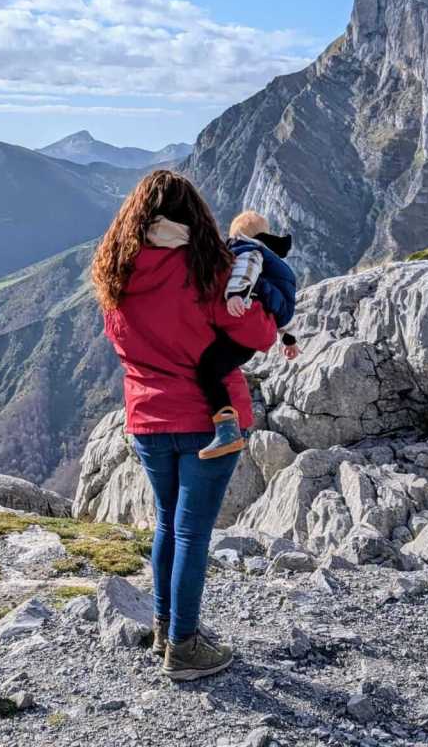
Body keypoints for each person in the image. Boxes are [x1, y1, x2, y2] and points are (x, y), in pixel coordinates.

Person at [91, 171, 277, 681]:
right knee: (193, 532)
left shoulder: (117, 274)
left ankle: (165, 627)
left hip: (148, 420)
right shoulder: (208, 271)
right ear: (192, 217)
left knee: (169, 522)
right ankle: (185, 647)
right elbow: (260, 333)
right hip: (207, 421)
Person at [197, 209, 299, 460]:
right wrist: (288, 339)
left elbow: (246, 268)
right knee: (218, 363)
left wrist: (235, 294)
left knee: (206, 370)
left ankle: (226, 431)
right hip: (255, 334)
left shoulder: (249, 250)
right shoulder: (271, 263)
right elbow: (274, 308)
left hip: (243, 331)